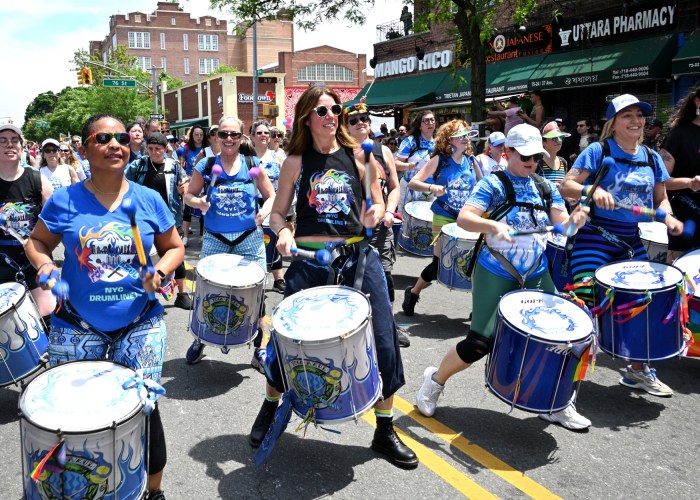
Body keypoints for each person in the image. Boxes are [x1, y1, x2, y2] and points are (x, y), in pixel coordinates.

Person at [250, 85, 418, 469]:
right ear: (307, 117)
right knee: (287, 339)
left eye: (335, 109)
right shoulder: (295, 160)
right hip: (309, 261)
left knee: (384, 340)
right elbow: (277, 214)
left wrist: (375, 214)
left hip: (357, 258)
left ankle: (384, 428)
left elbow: (376, 202)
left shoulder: (361, 156)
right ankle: (271, 405)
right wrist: (284, 232)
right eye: (322, 110)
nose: (330, 116)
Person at [25, 113, 184, 500]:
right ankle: (68, 489)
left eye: (120, 138)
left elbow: (175, 247)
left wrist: (160, 273)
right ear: (83, 149)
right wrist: (46, 267)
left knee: (144, 407)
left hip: (139, 322)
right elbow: (36, 242)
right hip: (77, 325)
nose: (114, 144)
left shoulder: (148, 199)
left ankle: (153, 491)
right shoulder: (65, 200)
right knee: (67, 413)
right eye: (102, 138)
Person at [415, 123, 591, 430]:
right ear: (507, 152)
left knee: (564, 337)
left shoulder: (545, 186)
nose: (531, 162)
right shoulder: (493, 184)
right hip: (496, 270)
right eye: (524, 156)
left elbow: (562, 227)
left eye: (535, 157)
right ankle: (435, 380)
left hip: (536, 271)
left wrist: (575, 220)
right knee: (478, 344)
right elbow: (465, 218)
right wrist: (493, 226)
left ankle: (558, 402)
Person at [559, 94, 682, 398]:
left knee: (646, 301)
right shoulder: (597, 150)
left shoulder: (652, 157)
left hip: (630, 240)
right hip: (595, 236)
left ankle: (638, 371)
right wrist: (592, 189)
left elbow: (660, 197)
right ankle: (565, 378)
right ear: (613, 123)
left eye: (640, 116)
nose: (636, 121)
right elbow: (567, 185)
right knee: (584, 300)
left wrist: (669, 217)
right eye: (628, 116)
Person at [183, 116, 275, 369]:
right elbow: (189, 195)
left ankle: (260, 349)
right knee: (206, 290)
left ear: (242, 137)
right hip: (216, 238)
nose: (228, 139)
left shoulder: (252, 164)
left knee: (257, 294)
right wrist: (198, 202)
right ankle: (200, 338)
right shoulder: (206, 165)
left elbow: (270, 196)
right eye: (223, 134)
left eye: (234, 135)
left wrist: (264, 212)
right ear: (215, 137)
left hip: (249, 238)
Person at [343, 103, 409, 347]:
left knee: (384, 275)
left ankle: (389, 325)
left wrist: (390, 211)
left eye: (364, 118)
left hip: (381, 227)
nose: (361, 122)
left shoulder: (383, 151)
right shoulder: (340, 152)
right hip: (349, 229)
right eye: (355, 120)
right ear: (345, 126)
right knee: (348, 276)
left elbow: (393, 187)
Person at [402, 120, 478, 317]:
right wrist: (432, 188)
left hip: (466, 218)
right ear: (449, 138)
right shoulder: (440, 160)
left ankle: (478, 308)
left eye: (466, 135)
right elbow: (413, 183)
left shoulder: (471, 160)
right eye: (460, 135)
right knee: (439, 263)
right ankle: (413, 293)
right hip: (444, 215)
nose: (465, 138)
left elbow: (481, 184)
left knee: (473, 262)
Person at [125, 132, 193, 309]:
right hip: (142, 220)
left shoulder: (174, 166)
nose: (154, 152)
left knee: (176, 256)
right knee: (143, 257)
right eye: (151, 148)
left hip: (169, 217)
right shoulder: (138, 165)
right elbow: (123, 184)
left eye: (158, 149)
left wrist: (184, 188)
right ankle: (146, 298)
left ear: (165, 149)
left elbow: (185, 183)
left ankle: (182, 294)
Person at [0, 123, 55, 324]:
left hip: (33, 258)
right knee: (8, 324)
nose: (9, 145)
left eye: (15, 141)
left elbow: (54, 222)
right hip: (2, 260)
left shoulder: (37, 179)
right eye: (3, 141)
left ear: (22, 146)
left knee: (49, 313)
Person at [658, 84, 700, 262]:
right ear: (697, 101)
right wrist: (689, 182)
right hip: (686, 215)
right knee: (681, 274)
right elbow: (661, 180)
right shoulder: (680, 134)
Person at [250, 119, 287, 292]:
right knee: (253, 243)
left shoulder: (277, 157)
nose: (264, 135)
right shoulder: (246, 158)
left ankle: (278, 278)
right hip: (251, 206)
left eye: (267, 133)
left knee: (273, 240)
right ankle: (254, 280)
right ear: (252, 137)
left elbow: (285, 184)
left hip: (272, 204)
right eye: (259, 133)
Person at [395, 111, 436, 213]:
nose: (430, 123)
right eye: (426, 121)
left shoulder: (438, 143)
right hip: (411, 188)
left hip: (431, 189)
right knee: (407, 221)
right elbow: (396, 164)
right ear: (420, 126)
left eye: (432, 120)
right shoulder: (410, 141)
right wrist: (408, 166)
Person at [177, 125, 209, 245]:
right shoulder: (185, 149)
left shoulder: (207, 149)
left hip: (204, 181)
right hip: (191, 181)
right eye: (196, 134)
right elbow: (182, 166)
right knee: (188, 209)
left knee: (203, 209)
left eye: (201, 135)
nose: (199, 137)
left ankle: (202, 235)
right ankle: (185, 237)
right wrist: (185, 178)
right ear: (192, 135)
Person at [537, 121, 570, 185]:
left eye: (561, 137)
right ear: (543, 142)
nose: (559, 141)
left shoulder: (563, 162)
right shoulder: (537, 162)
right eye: (554, 138)